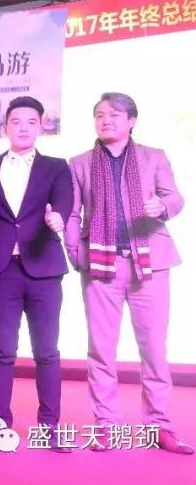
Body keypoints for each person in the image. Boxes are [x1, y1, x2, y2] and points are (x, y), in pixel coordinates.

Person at [65, 92, 192, 454]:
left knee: (153, 350)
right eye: (100, 115)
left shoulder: (155, 157)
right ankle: (106, 425)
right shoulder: (79, 163)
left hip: (150, 263)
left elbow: (175, 198)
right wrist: (76, 252)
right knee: (101, 350)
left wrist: (161, 206)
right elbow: (72, 214)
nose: (106, 120)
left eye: (114, 115)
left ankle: (159, 426)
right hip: (100, 264)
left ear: (132, 121)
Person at [0, 95, 73, 453]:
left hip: (43, 268)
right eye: (16, 122)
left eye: (31, 122)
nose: (23, 128)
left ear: (41, 127)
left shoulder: (56, 167)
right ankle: (0, 424)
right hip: (1, 270)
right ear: (5, 127)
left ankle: (49, 426)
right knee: (1, 351)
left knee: (46, 351)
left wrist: (58, 218)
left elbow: (63, 203)